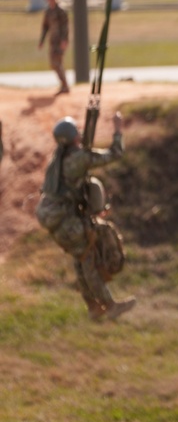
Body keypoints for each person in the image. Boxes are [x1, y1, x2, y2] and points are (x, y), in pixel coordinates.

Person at [35, 113, 136, 321]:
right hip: (63, 218)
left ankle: (93, 307)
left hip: (50, 215)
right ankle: (109, 306)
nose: (80, 132)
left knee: (80, 258)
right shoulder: (78, 158)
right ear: (73, 136)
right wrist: (117, 130)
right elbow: (115, 153)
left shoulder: (59, 157)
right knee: (88, 255)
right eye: (77, 130)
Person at [38, 0, 71, 95]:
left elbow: (65, 27)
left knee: (57, 62)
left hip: (60, 41)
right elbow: (45, 27)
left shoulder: (61, 10)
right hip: (52, 40)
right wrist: (41, 41)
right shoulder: (48, 11)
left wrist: (64, 40)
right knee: (53, 63)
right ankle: (64, 85)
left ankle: (65, 86)